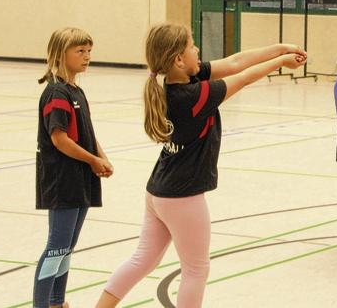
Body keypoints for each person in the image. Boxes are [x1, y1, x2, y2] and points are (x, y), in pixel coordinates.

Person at [95, 23, 306, 308]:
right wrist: (280, 62)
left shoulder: (173, 83)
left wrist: (280, 49)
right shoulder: (193, 97)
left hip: (158, 192)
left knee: (143, 259)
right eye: (192, 46)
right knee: (196, 270)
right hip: (183, 197)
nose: (198, 51)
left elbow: (235, 61)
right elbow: (241, 78)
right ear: (178, 60)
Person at [34, 27, 114, 308]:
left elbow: (86, 133)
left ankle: (57, 301)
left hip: (80, 179)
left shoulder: (75, 90)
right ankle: (42, 304)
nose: (87, 56)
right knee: (56, 248)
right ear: (60, 54)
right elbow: (59, 140)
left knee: (67, 247)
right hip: (62, 181)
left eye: (89, 51)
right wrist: (92, 160)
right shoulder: (57, 93)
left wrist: (100, 157)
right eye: (80, 51)